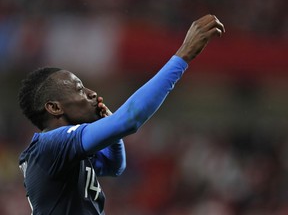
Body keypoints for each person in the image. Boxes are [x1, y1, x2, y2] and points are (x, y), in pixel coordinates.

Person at [18, 14, 225, 214]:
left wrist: (111, 126)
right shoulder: (52, 144)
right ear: (54, 108)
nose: (92, 93)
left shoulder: (60, 151)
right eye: (80, 89)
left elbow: (114, 166)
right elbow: (130, 120)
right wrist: (183, 55)